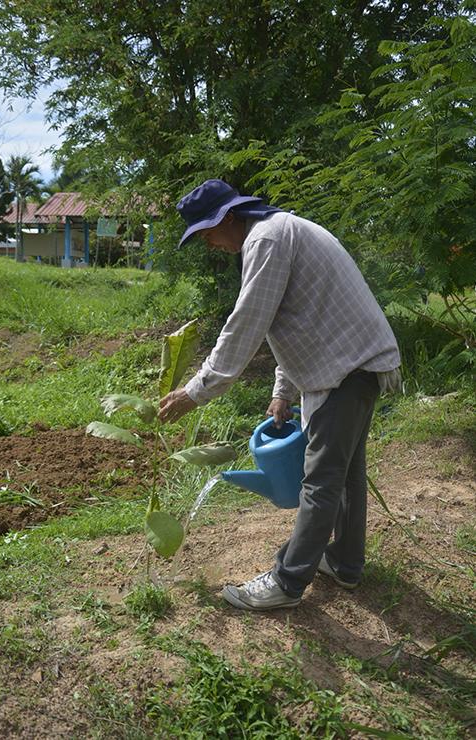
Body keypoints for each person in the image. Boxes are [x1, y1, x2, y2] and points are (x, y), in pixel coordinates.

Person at [158, 179, 401, 611]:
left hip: (347, 367)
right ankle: (344, 563)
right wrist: (283, 390)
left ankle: (287, 584)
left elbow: (247, 322)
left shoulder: (267, 239)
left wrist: (197, 390)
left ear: (229, 217)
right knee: (343, 474)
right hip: (355, 363)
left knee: (320, 481)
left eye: (207, 233)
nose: (209, 244)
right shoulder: (277, 232)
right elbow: (297, 319)